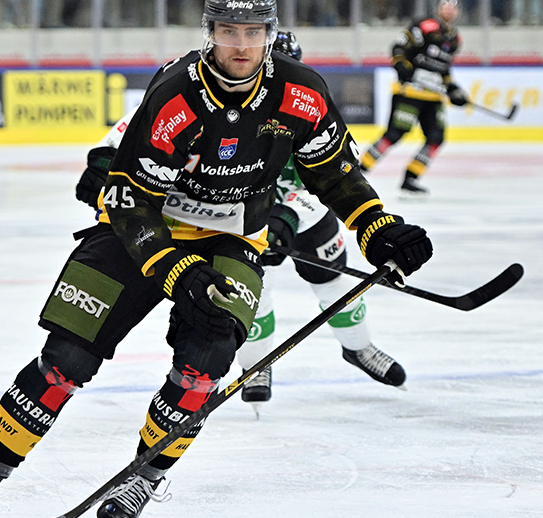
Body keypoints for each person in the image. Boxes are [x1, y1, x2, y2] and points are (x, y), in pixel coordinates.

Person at [0, 0, 433, 518]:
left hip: (233, 236)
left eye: (253, 32)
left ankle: (143, 478)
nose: (241, 44)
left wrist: (376, 225)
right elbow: (129, 201)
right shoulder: (176, 93)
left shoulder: (302, 93)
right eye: (228, 31)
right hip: (146, 227)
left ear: (269, 33)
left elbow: (334, 174)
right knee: (65, 359)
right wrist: (177, 270)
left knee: (204, 365)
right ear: (208, 33)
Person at [75, 30, 407, 418]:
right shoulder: (205, 97)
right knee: (251, 289)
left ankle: (359, 346)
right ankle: (257, 364)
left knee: (333, 281)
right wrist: (104, 164)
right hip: (242, 217)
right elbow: (134, 133)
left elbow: (330, 178)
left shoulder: (300, 101)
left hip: (302, 213)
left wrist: (290, 216)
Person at [359, 0, 468, 197]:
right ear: (438, 8)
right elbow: (398, 47)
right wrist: (401, 66)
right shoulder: (424, 26)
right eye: (445, 5)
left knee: (436, 138)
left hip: (433, 96)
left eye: (453, 7)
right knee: (395, 134)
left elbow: (444, 69)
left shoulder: (455, 38)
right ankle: (359, 171)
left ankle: (411, 178)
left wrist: (452, 88)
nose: (449, 10)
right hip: (409, 92)